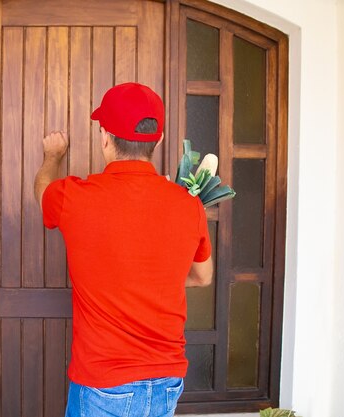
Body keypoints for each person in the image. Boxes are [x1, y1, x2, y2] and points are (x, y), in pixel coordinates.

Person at [34, 82, 213, 417]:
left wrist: (52, 156)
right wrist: (155, 276)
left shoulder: (74, 197)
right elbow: (203, 277)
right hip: (167, 380)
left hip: (103, 383)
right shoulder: (189, 206)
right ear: (157, 140)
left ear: (104, 137)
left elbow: (42, 191)